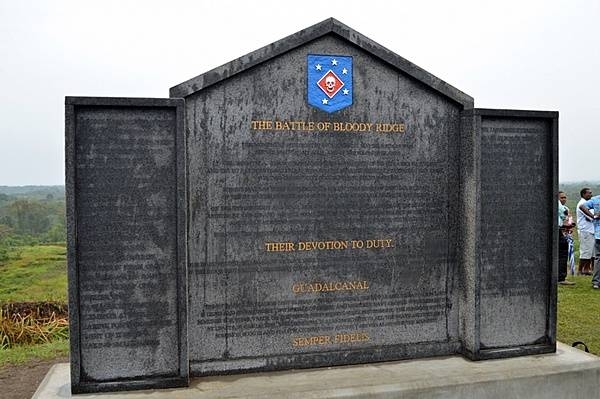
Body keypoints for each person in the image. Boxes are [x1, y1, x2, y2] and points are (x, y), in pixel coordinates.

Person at [578, 194, 600, 289]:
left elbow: (582, 206)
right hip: (591, 231)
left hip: (598, 233)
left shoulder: (595, 199)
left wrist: (594, 216)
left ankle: (596, 282)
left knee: (598, 258)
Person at [558, 191, 575, 285]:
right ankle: (561, 278)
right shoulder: (560, 206)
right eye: (561, 198)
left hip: (559, 229)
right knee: (562, 253)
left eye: (565, 197)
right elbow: (563, 215)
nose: (564, 199)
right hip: (558, 230)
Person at [577, 188, 595, 275]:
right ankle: (580, 270)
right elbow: (591, 217)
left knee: (590, 251)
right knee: (585, 251)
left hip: (590, 230)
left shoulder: (587, 203)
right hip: (585, 230)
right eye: (589, 193)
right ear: (583, 194)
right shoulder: (582, 204)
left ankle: (587, 269)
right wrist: (595, 216)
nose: (591, 195)